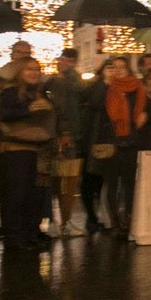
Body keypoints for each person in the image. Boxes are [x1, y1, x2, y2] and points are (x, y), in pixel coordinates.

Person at [0, 57, 64, 250]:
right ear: (19, 72)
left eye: (36, 69)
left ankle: (31, 232)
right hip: (18, 148)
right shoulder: (10, 91)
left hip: (40, 149)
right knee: (18, 193)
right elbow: (3, 115)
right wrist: (28, 109)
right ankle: (16, 236)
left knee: (36, 194)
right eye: (28, 69)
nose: (34, 73)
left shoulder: (42, 93)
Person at [84, 55, 149, 237]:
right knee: (112, 184)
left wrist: (145, 114)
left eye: (122, 67)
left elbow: (147, 107)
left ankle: (128, 219)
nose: (119, 70)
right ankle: (114, 221)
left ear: (129, 69)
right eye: (115, 67)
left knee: (129, 184)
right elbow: (94, 104)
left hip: (131, 140)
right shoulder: (105, 87)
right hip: (110, 142)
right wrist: (105, 82)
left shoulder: (136, 87)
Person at [43, 49, 89, 236]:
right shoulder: (53, 81)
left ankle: (66, 220)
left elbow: (82, 90)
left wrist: (69, 72)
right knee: (54, 180)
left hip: (71, 136)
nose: (67, 63)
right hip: (54, 136)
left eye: (71, 60)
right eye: (65, 59)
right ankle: (57, 221)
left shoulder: (73, 79)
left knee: (69, 180)